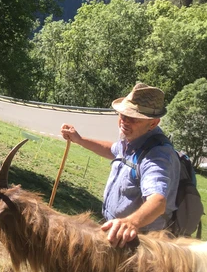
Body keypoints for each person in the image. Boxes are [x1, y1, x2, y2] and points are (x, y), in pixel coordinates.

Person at [61, 83, 180, 248]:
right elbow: (113, 150)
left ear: (153, 123)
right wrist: (79, 140)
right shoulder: (132, 139)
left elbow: (158, 201)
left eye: (134, 118)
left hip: (137, 243)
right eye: (123, 115)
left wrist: (131, 222)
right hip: (116, 233)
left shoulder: (158, 155)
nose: (125, 121)